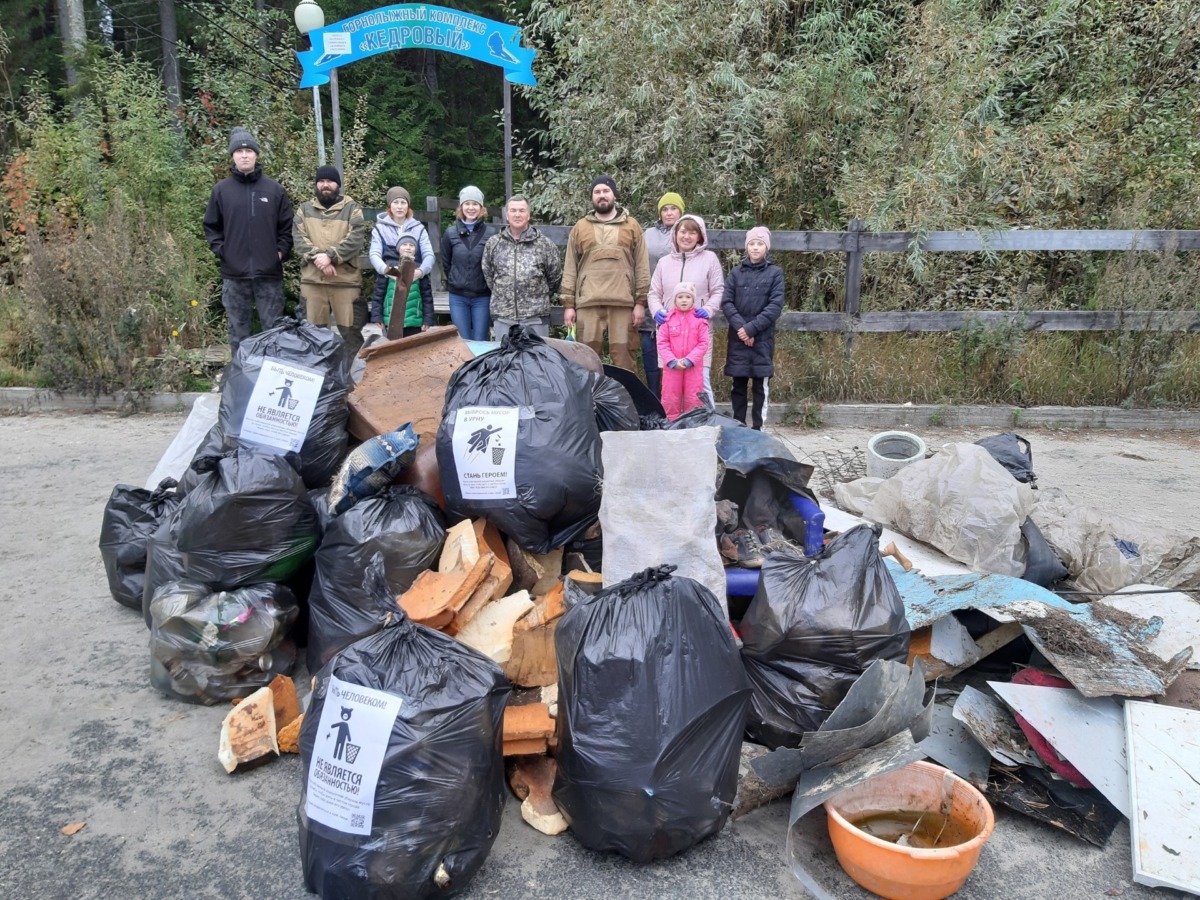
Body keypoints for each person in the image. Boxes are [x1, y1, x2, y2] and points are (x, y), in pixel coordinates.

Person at [203, 127, 294, 355]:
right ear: (233, 156)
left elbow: (287, 227)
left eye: (249, 151)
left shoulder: (274, 190)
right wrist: (224, 252)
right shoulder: (221, 191)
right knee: (237, 332)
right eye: (240, 151)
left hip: (269, 274)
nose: (244, 155)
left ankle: (272, 380)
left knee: (273, 332)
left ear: (256, 155)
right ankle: (241, 379)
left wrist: (280, 253)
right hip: (234, 275)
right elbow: (211, 227)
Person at [560, 175, 650, 373]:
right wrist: (568, 304)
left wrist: (640, 303)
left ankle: (626, 403)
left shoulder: (632, 226)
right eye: (597, 192)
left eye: (606, 191)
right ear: (592, 197)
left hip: (623, 304)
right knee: (585, 361)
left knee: (625, 361)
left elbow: (642, 266)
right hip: (588, 304)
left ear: (614, 194)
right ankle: (589, 403)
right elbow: (570, 267)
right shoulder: (580, 227)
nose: (602, 196)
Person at [293, 165, 368, 358]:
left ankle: (352, 379)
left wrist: (330, 257)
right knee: (313, 335)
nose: (325, 185)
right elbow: (298, 239)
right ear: (317, 184)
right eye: (321, 181)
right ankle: (320, 381)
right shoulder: (304, 210)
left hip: (345, 282)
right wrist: (318, 257)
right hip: (313, 282)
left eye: (330, 181)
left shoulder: (352, 208)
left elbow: (356, 238)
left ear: (338, 185)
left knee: (351, 334)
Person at [647, 213, 724, 401]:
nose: (687, 237)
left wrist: (708, 309)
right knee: (671, 384)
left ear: (700, 236)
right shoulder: (664, 263)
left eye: (692, 233)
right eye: (683, 232)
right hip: (669, 332)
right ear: (675, 234)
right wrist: (657, 311)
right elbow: (653, 292)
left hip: (698, 332)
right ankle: (674, 425)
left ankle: (706, 423)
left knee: (700, 382)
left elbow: (718, 289)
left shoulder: (709, 259)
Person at [722, 226, 784, 430]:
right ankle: (739, 428)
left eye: (760, 244)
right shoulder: (735, 273)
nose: (755, 248)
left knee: (760, 388)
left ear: (766, 247)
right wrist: (742, 329)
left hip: (761, 340)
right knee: (738, 387)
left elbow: (775, 306)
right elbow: (727, 302)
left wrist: (752, 329)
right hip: (738, 340)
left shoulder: (775, 273)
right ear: (746, 247)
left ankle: (759, 430)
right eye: (752, 244)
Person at [481, 194, 563, 338]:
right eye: (513, 211)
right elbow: (488, 275)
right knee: (505, 359)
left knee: (536, 359)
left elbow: (555, 277)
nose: (517, 214)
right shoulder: (493, 244)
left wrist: (535, 297)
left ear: (528, 215)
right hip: (503, 317)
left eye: (521, 210)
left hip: (536, 318)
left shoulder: (545, 244)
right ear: (507, 215)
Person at [367, 186, 434, 332]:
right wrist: (386, 270)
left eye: (403, 202)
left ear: (408, 205)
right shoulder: (379, 229)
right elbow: (374, 254)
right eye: (396, 202)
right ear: (389, 205)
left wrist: (420, 272)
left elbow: (429, 255)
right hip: (389, 280)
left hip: (414, 280)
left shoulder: (419, 228)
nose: (399, 206)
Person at [639, 192, 685, 396]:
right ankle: (653, 400)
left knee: (673, 358)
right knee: (650, 357)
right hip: (650, 304)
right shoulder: (647, 234)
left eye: (673, 208)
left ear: (681, 211)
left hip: (678, 306)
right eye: (665, 209)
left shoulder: (688, 233)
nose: (669, 213)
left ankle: (673, 402)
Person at [441, 185, 495, 341]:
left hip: (482, 296)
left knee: (480, 341)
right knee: (462, 341)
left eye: (475, 204)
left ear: (481, 207)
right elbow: (446, 262)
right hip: (458, 296)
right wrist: (455, 279)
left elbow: (494, 264)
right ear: (461, 207)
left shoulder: (491, 234)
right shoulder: (450, 233)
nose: (471, 208)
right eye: (467, 204)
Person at [657, 282, 710, 421]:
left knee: (693, 396)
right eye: (680, 297)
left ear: (693, 300)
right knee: (670, 396)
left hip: (693, 367)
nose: (684, 300)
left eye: (688, 297)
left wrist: (689, 360)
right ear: (674, 300)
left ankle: (692, 424)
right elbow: (662, 342)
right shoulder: (667, 320)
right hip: (672, 367)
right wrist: (672, 361)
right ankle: (671, 423)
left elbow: (703, 343)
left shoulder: (700, 321)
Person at [380, 234, 434, 337]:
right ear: (398, 248)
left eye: (411, 245)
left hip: (413, 321)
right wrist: (377, 316)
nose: (408, 247)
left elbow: (427, 297)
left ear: (415, 250)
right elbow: (379, 294)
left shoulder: (419, 271)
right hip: (390, 320)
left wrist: (427, 320)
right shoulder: (389, 269)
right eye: (404, 244)